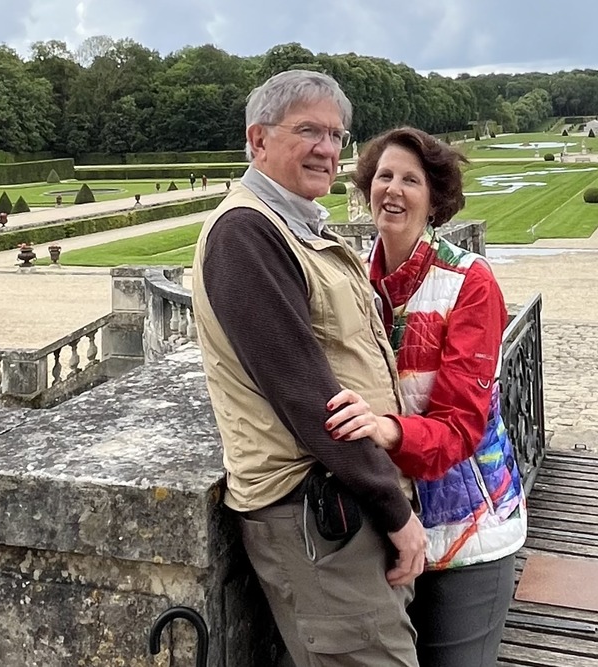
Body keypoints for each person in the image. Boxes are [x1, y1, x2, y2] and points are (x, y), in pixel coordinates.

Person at [191, 72, 426, 667]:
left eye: (336, 134)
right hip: (315, 512)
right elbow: (305, 394)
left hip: (340, 505)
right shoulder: (247, 232)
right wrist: (397, 515)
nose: (328, 148)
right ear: (258, 139)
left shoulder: (294, 225)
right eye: (309, 131)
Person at [326, 127, 527, 666]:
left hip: (468, 531)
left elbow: (462, 425)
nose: (393, 189)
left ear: (435, 200)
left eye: (410, 180)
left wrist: (385, 429)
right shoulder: (354, 281)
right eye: (384, 176)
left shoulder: (469, 282)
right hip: (392, 522)